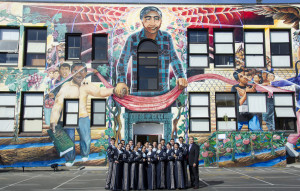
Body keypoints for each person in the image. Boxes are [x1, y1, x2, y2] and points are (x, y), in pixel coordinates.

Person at [50, 62, 127, 166]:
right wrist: (53, 121)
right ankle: (69, 159)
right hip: (68, 118)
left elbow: (99, 92)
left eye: (82, 71)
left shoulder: (86, 85)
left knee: (86, 138)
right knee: (70, 140)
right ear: (71, 72)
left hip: (82, 116)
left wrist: (113, 90)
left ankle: (85, 154)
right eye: (76, 71)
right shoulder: (65, 87)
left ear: (86, 73)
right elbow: (57, 105)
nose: (79, 74)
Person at [115, 6, 187, 96]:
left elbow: (174, 58)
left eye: (156, 19)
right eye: (148, 19)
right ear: (142, 20)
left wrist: (180, 76)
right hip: (138, 94)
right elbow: (122, 61)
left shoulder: (166, 37)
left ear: (161, 21)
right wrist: (121, 82)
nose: (152, 23)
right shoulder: (133, 39)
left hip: (162, 94)